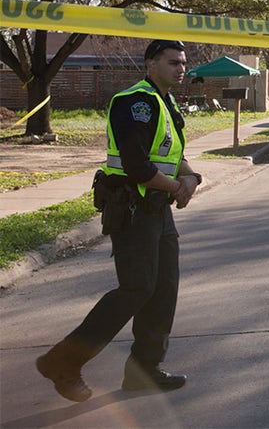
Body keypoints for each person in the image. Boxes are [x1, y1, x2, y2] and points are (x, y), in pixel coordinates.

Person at [36, 40, 201, 402]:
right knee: (137, 288)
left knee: (163, 288)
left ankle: (143, 371)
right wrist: (179, 186)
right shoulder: (135, 102)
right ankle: (62, 362)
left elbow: (173, 155)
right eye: (173, 62)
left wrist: (191, 178)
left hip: (158, 210)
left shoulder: (165, 101)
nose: (181, 68)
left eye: (183, 63)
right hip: (133, 210)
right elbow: (138, 167)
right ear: (150, 64)